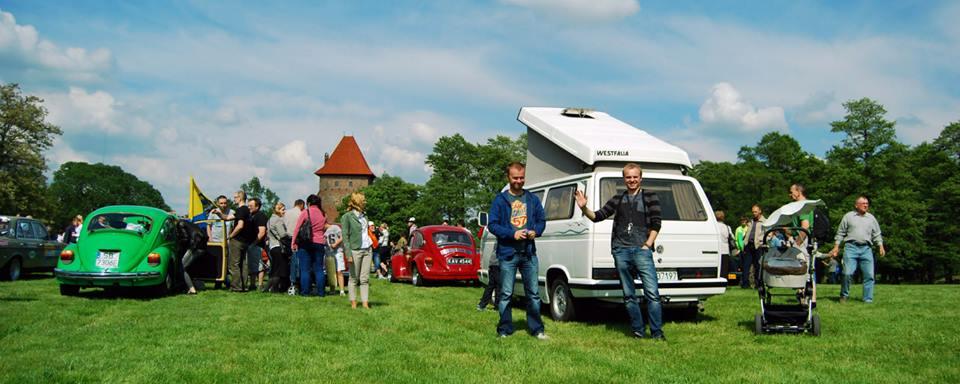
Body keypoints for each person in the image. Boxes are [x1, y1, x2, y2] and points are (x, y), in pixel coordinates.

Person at [575, 163, 665, 340]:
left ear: (640, 178)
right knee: (629, 295)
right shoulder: (618, 198)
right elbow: (598, 216)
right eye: (628, 177)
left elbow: (657, 222)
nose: (632, 180)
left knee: (652, 294)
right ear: (624, 179)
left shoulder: (650, 196)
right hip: (621, 251)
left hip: (642, 251)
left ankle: (657, 333)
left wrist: (647, 245)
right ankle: (638, 331)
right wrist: (584, 208)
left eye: (635, 177)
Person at [487, 162, 548, 340]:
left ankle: (537, 329)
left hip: (529, 253)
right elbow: (492, 225)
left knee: (534, 294)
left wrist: (536, 231)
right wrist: (512, 234)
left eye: (521, 178)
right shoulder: (500, 200)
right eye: (515, 178)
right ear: (509, 177)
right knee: (506, 293)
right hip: (508, 253)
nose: (519, 181)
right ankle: (505, 329)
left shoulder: (532, 199)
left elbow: (541, 220)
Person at [830, 195, 885, 303]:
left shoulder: (871, 218)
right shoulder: (848, 217)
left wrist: (880, 246)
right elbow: (840, 233)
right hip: (851, 248)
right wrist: (836, 247)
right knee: (847, 273)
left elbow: (877, 234)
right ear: (856, 205)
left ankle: (867, 299)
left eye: (867, 203)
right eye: (863, 203)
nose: (866, 205)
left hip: (866, 249)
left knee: (869, 275)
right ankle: (844, 295)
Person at [291, 195, 328, 297]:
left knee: (305, 269)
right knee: (319, 269)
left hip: (306, 243)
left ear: (308, 203)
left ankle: (305, 292)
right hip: (320, 243)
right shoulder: (323, 214)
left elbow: (297, 228)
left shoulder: (305, 212)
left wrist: (293, 242)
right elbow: (324, 228)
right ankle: (321, 292)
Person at [342, 192, 374, 309]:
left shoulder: (364, 216)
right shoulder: (347, 217)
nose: (365, 202)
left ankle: (365, 303)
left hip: (367, 249)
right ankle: (353, 303)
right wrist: (348, 254)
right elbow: (345, 237)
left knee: (365, 278)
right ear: (358, 202)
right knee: (353, 278)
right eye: (363, 200)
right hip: (355, 250)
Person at [788, 183, 817, 307]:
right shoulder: (802, 206)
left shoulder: (803, 206)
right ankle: (806, 298)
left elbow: (805, 226)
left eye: (792, 191)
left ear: (798, 192)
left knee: (803, 270)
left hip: (802, 240)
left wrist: (797, 243)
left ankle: (808, 299)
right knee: (806, 269)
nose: (790, 194)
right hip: (802, 239)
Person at [225, 190, 252, 292]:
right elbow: (227, 218)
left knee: (234, 264)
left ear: (240, 198)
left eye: (235, 197)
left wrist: (231, 236)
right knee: (243, 264)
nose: (234, 199)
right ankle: (244, 286)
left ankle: (236, 287)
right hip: (245, 241)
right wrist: (218, 213)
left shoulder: (240, 210)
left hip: (237, 241)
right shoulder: (247, 210)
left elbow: (240, 226)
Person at [176, 219, 208, 295]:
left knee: (182, 267)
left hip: (194, 247)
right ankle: (198, 286)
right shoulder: (191, 224)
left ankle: (192, 289)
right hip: (202, 247)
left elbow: (185, 238)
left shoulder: (180, 223)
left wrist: (178, 243)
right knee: (190, 268)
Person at [266, 202, 292, 293]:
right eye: (282, 209)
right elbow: (282, 235)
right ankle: (275, 289)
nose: (284, 211)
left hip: (272, 246)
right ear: (277, 210)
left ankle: (267, 288)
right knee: (280, 270)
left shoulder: (269, 220)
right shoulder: (278, 220)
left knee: (275, 269)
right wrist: (290, 236)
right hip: (279, 246)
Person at [247, 198, 269, 291]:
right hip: (251, 244)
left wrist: (254, 243)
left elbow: (262, 232)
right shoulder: (250, 215)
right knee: (252, 265)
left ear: (257, 206)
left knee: (259, 266)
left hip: (257, 245)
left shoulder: (260, 216)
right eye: (248, 206)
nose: (249, 208)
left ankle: (260, 284)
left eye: (251, 206)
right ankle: (252, 284)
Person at [741, 205, 766, 289]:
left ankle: (758, 284)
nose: (754, 213)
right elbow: (748, 233)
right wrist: (745, 243)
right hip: (749, 245)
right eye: (753, 212)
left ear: (760, 211)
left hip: (758, 245)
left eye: (755, 211)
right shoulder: (751, 221)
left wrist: (762, 241)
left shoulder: (765, 221)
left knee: (758, 265)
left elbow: (768, 234)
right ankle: (745, 284)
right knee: (746, 265)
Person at [285, 199, 305, 295]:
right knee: (296, 263)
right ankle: (295, 283)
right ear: (301, 205)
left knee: (288, 262)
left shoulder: (286, 212)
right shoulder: (301, 214)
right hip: (296, 240)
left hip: (286, 239)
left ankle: (288, 282)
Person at [325, 223, 346, 296]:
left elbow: (343, 236)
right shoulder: (322, 231)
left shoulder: (335, 227)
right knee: (331, 272)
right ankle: (332, 289)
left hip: (338, 251)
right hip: (328, 252)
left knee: (339, 271)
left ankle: (342, 290)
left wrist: (336, 244)